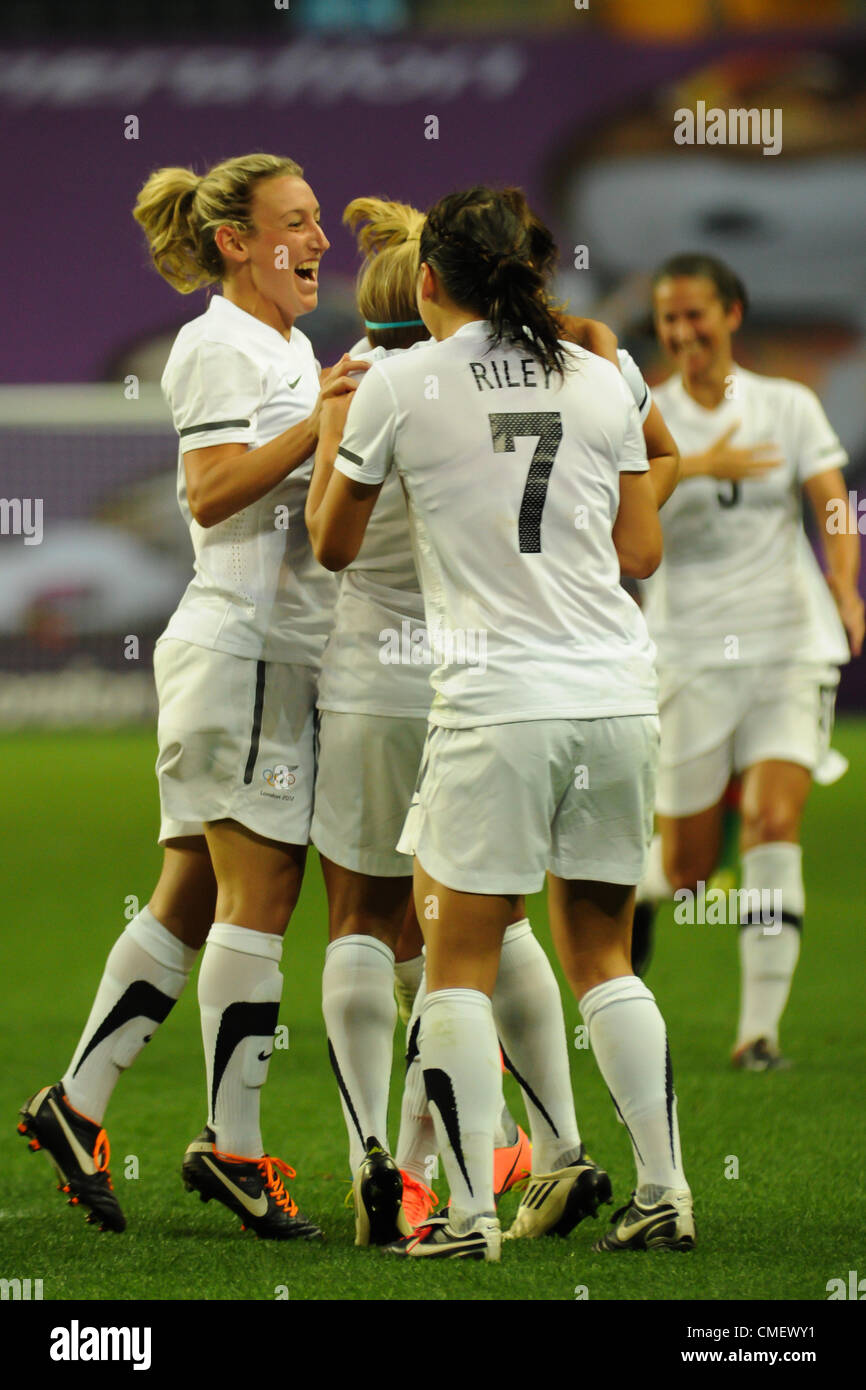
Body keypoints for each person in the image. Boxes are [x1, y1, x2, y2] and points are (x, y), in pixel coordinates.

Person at [306, 185, 691, 1261]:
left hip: (494, 703)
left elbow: (334, 547)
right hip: (614, 690)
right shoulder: (602, 372)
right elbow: (641, 553)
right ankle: (662, 1190)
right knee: (604, 953)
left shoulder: (396, 384)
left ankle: (468, 1215)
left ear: (425, 280)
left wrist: (339, 427)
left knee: (458, 958)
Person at [18, 153, 364, 1239]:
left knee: (191, 897)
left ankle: (74, 1105)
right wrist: (323, 423)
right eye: (296, 224)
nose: (317, 242)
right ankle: (236, 1148)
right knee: (258, 900)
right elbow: (210, 495)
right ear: (235, 241)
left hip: (264, 651)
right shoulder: (215, 344)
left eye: (315, 223)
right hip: (245, 650)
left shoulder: (289, 345)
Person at [635, 253, 863, 1069]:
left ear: (733, 314)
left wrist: (845, 586)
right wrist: (696, 464)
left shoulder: (788, 404)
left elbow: (832, 499)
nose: (683, 332)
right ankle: (646, 889)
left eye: (697, 314)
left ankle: (758, 1034)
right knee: (690, 871)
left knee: (773, 821)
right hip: (689, 649)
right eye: (669, 319)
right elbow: (619, 507)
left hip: (787, 640)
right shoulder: (644, 415)